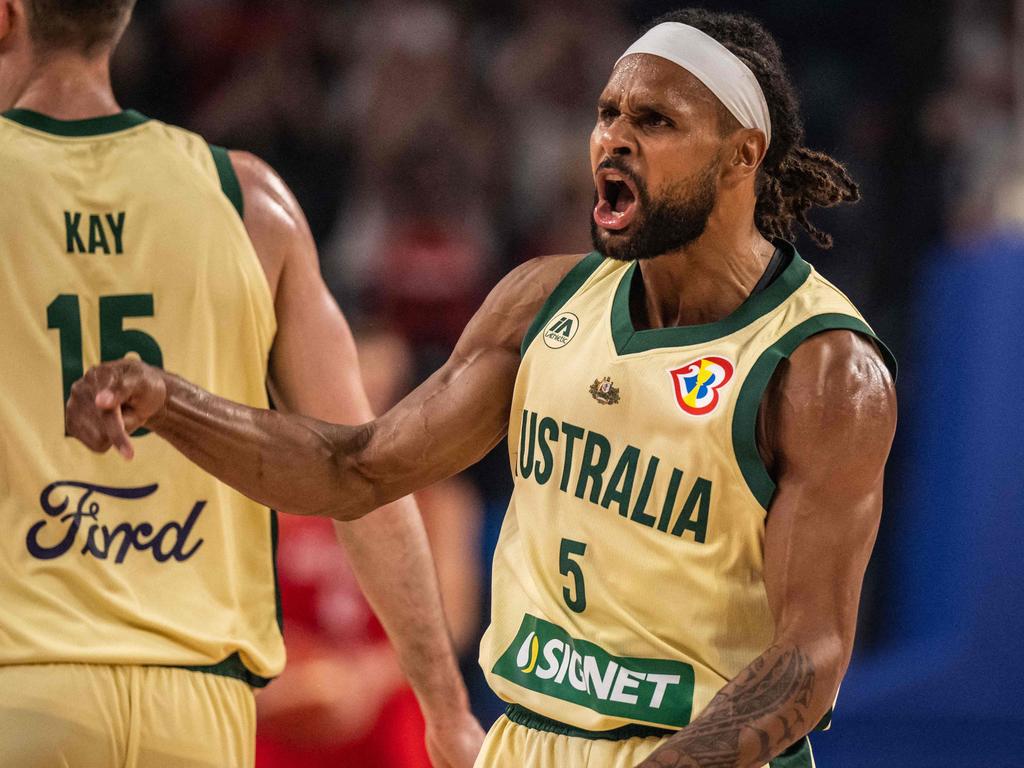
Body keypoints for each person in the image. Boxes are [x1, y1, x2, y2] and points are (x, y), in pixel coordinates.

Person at [67, 8, 898, 768]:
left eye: (655, 121)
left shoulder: (823, 368)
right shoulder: (542, 302)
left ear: (742, 155)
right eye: (608, 113)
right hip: (526, 738)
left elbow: (810, 658)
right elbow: (352, 469)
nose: (613, 139)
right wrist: (171, 401)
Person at [0, 1, 482, 766]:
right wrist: (446, 709)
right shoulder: (246, 198)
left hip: (20, 685)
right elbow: (360, 467)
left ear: (5, 17)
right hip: (201, 711)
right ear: (118, 23)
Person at [256, 325, 483, 768]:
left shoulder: (442, 498)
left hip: (391, 692)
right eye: (357, 392)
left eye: (385, 394)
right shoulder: (266, 488)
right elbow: (237, 608)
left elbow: (455, 619)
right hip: (285, 688)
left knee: (422, 726)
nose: (369, 412)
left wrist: (365, 679)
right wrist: (286, 674)